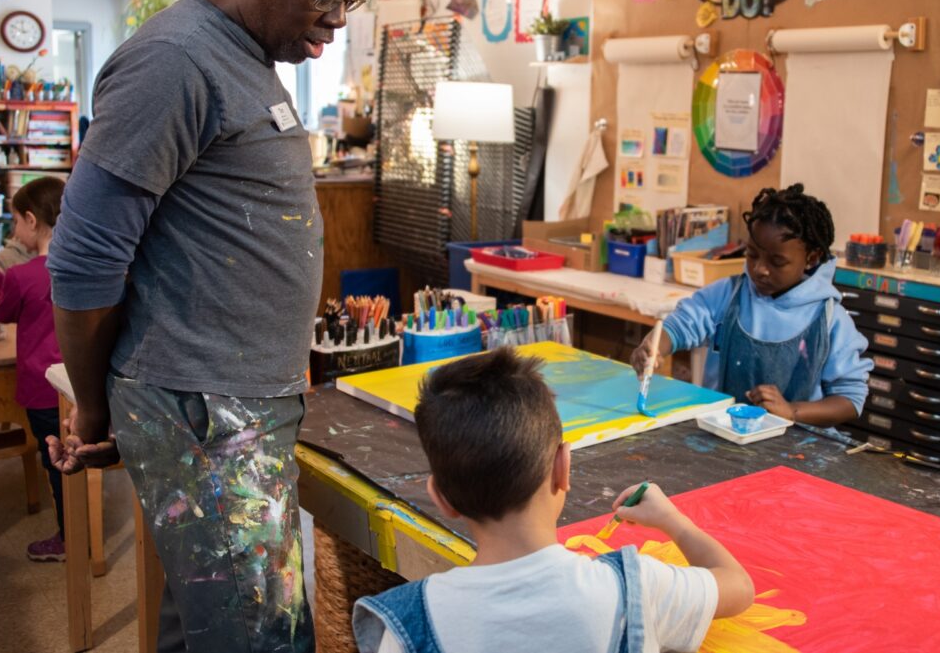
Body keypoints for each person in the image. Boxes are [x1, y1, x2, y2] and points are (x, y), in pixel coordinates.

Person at [45, 0, 367, 652]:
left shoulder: (247, 62)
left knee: (209, 628)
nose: (335, 16)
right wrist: (96, 408)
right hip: (208, 410)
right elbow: (84, 260)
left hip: (232, 402)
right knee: (258, 637)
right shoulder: (175, 61)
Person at [352, 348, 754, 653]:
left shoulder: (406, 626)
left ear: (441, 498)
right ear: (563, 467)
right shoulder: (634, 588)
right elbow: (738, 586)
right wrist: (674, 521)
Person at [632, 185, 871, 428]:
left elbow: (850, 400)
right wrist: (654, 347)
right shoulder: (729, 294)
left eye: (777, 261)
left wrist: (793, 411)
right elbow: (680, 326)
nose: (760, 269)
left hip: (796, 451)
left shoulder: (830, 319)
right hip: (722, 435)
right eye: (752, 255)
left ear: (811, 258)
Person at [0, 177, 67, 561]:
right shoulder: (81, 266)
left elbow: (1, 311)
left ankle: (69, 536)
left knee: (55, 464)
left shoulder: (22, 275)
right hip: (80, 383)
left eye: (15, 221)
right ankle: (81, 529)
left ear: (31, 220)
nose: (15, 230)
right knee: (79, 457)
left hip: (41, 386)